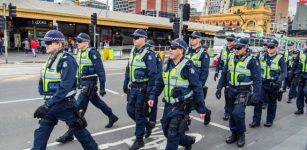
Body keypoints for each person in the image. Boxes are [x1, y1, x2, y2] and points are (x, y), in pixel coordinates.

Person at [32, 30, 98, 149]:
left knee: (80, 132)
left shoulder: (67, 60)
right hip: (53, 104)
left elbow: (65, 86)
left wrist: (47, 105)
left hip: (64, 104)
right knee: (41, 134)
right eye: (45, 42)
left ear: (59, 44)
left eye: (49, 42)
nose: (45, 44)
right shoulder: (52, 58)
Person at [56, 33, 119, 143]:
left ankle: (70, 134)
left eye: (79, 41)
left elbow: (100, 70)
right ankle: (111, 116)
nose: (77, 43)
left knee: (78, 109)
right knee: (97, 102)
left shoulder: (92, 52)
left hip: (89, 85)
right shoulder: (79, 52)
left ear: (86, 42)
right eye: (77, 41)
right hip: (83, 83)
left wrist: (102, 87)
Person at [154, 38, 206, 150]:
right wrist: (152, 96)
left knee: (172, 135)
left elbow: (197, 88)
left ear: (181, 50)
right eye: (169, 47)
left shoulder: (187, 66)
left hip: (181, 107)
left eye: (173, 48)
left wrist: (201, 109)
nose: (170, 50)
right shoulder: (167, 64)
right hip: (168, 105)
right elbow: (160, 82)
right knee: (166, 132)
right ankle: (188, 141)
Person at [216, 38, 261, 147]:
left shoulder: (252, 61)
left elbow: (257, 79)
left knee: (238, 113)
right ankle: (234, 133)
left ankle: (241, 134)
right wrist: (219, 88)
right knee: (232, 113)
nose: (236, 50)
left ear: (246, 47)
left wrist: (256, 94)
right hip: (231, 89)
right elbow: (224, 74)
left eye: (239, 48)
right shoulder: (231, 57)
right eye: (236, 47)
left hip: (243, 91)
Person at [123, 29, 158, 150]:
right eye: (133, 37)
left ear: (144, 39)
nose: (134, 39)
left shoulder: (148, 54)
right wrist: (125, 82)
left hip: (143, 89)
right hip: (133, 87)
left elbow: (153, 75)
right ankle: (147, 124)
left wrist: (151, 94)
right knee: (129, 110)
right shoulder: (133, 51)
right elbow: (129, 68)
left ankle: (139, 140)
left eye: (137, 37)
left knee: (138, 113)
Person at [250, 39, 287, 128]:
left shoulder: (280, 58)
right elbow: (255, 68)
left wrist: (279, 81)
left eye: (271, 47)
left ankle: (269, 120)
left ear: (276, 47)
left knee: (272, 103)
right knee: (258, 102)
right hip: (262, 83)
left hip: (273, 84)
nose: (269, 48)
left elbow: (284, 72)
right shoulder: (261, 56)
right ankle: (256, 121)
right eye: (268, 46)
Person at [185, 31, 211, 125]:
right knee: (184, 103)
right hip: (185, 82)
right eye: (191, 37)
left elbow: (205, 72)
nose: (192, 39)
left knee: (197, 104)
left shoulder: (203, 54)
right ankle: (185, 122)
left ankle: (207, 113)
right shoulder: (186, 51)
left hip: (196, 83)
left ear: (199, 39)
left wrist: (200, 85)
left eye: (195, 38)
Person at [214, 34, 236, 121]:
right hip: (224, 74)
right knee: (226, 94)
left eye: (231, 40)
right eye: (228, 40)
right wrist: (216, 71)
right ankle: (227, 111)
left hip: (232, 75)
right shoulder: (223, 50)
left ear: (234, 41)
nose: (229, 42)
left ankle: (231, 110)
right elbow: (219, 62)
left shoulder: (237, 50)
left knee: (230, 94)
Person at [144, 40, 162, 131]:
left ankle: (152, 121)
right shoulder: (146, 55)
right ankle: (148, 118)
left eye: (149, 47)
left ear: (153, 47)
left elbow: (158, 71)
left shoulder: (155, 56)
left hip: (154, 83)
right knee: (147, 103)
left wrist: (156, 84)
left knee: (153, 104)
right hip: (147, 82)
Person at [291, 47, 307, 115]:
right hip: (301, 75)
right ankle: (300, 109)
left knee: (306, 91)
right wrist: (292, 73)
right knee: (299, 93)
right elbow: (296, 63)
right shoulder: (301, 53)